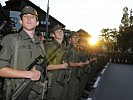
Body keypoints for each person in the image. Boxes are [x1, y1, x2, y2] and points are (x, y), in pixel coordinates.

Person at [0, 6, 45, 100]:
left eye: (32, 17)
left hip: (37, 95)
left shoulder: (40, 43)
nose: (29, 18)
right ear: (21, 21)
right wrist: (28, 74)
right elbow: (1, 69)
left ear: (37, 23)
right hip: (16, 92)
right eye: (25, 16)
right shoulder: (10, 39)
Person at [45, 25, 68, 100]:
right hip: (53, 80)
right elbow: (46, 66)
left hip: (62, 78)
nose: (60, 33)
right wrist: (62, 66)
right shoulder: (49, 46)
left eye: (61, 31)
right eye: (57, 32)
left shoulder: (63, 47)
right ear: (53, 35)